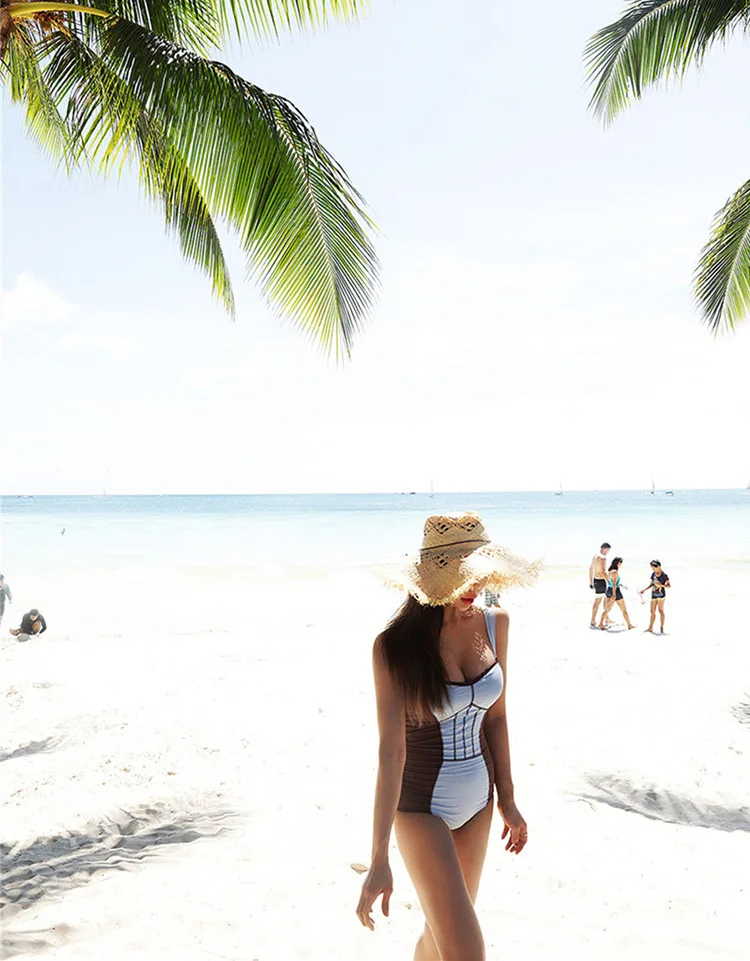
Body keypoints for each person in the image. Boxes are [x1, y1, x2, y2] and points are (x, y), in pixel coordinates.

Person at [356, 512, 540, 960]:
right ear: (434, 580)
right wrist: (379, 857)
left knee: (440, 937)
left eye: (478, 573)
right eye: (460, 576)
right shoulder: (394, 648)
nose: (473, 586)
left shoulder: (495, 624)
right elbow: (391, 754)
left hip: (480, 804)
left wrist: (508, 798)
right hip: (421, 808)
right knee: (467, 951)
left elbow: (496, 718)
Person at [598, 557, 636, 630]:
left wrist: (621, 585)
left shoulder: (610, 571)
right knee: (624, 610)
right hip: (615, 591)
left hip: (609, 590)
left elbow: (611, 582)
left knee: (607, 609)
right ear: (618, 563)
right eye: (621, 563)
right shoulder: (615, 572)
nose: (621, 565)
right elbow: (614, 584)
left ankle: (600, 623)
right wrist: (614, 594)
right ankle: (629, 625)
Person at [640, 560, 670, 634]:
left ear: (658, 566)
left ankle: (661, 628)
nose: (653, 570)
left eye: (654, 568)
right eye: (652, 568)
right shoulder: (653, 574)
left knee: (660, 611)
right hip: (653, 594)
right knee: (652, 611)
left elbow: (669, 586)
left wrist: (661, 585)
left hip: (661, 595)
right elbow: (652, 583)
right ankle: (650, 627)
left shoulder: (664, 575)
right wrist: (645, 589)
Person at [589, 542, 612, 628]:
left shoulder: (595, 556)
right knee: (598, 602)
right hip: (601, 581)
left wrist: (590, 582)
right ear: (605, 548)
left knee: (605, 599)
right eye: (608, 550)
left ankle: (606, 618)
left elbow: (591, 569)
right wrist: (609, 581)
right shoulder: (603, 558)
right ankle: (592, 620)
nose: (608, 552)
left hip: (595, 580)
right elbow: (603, 571)